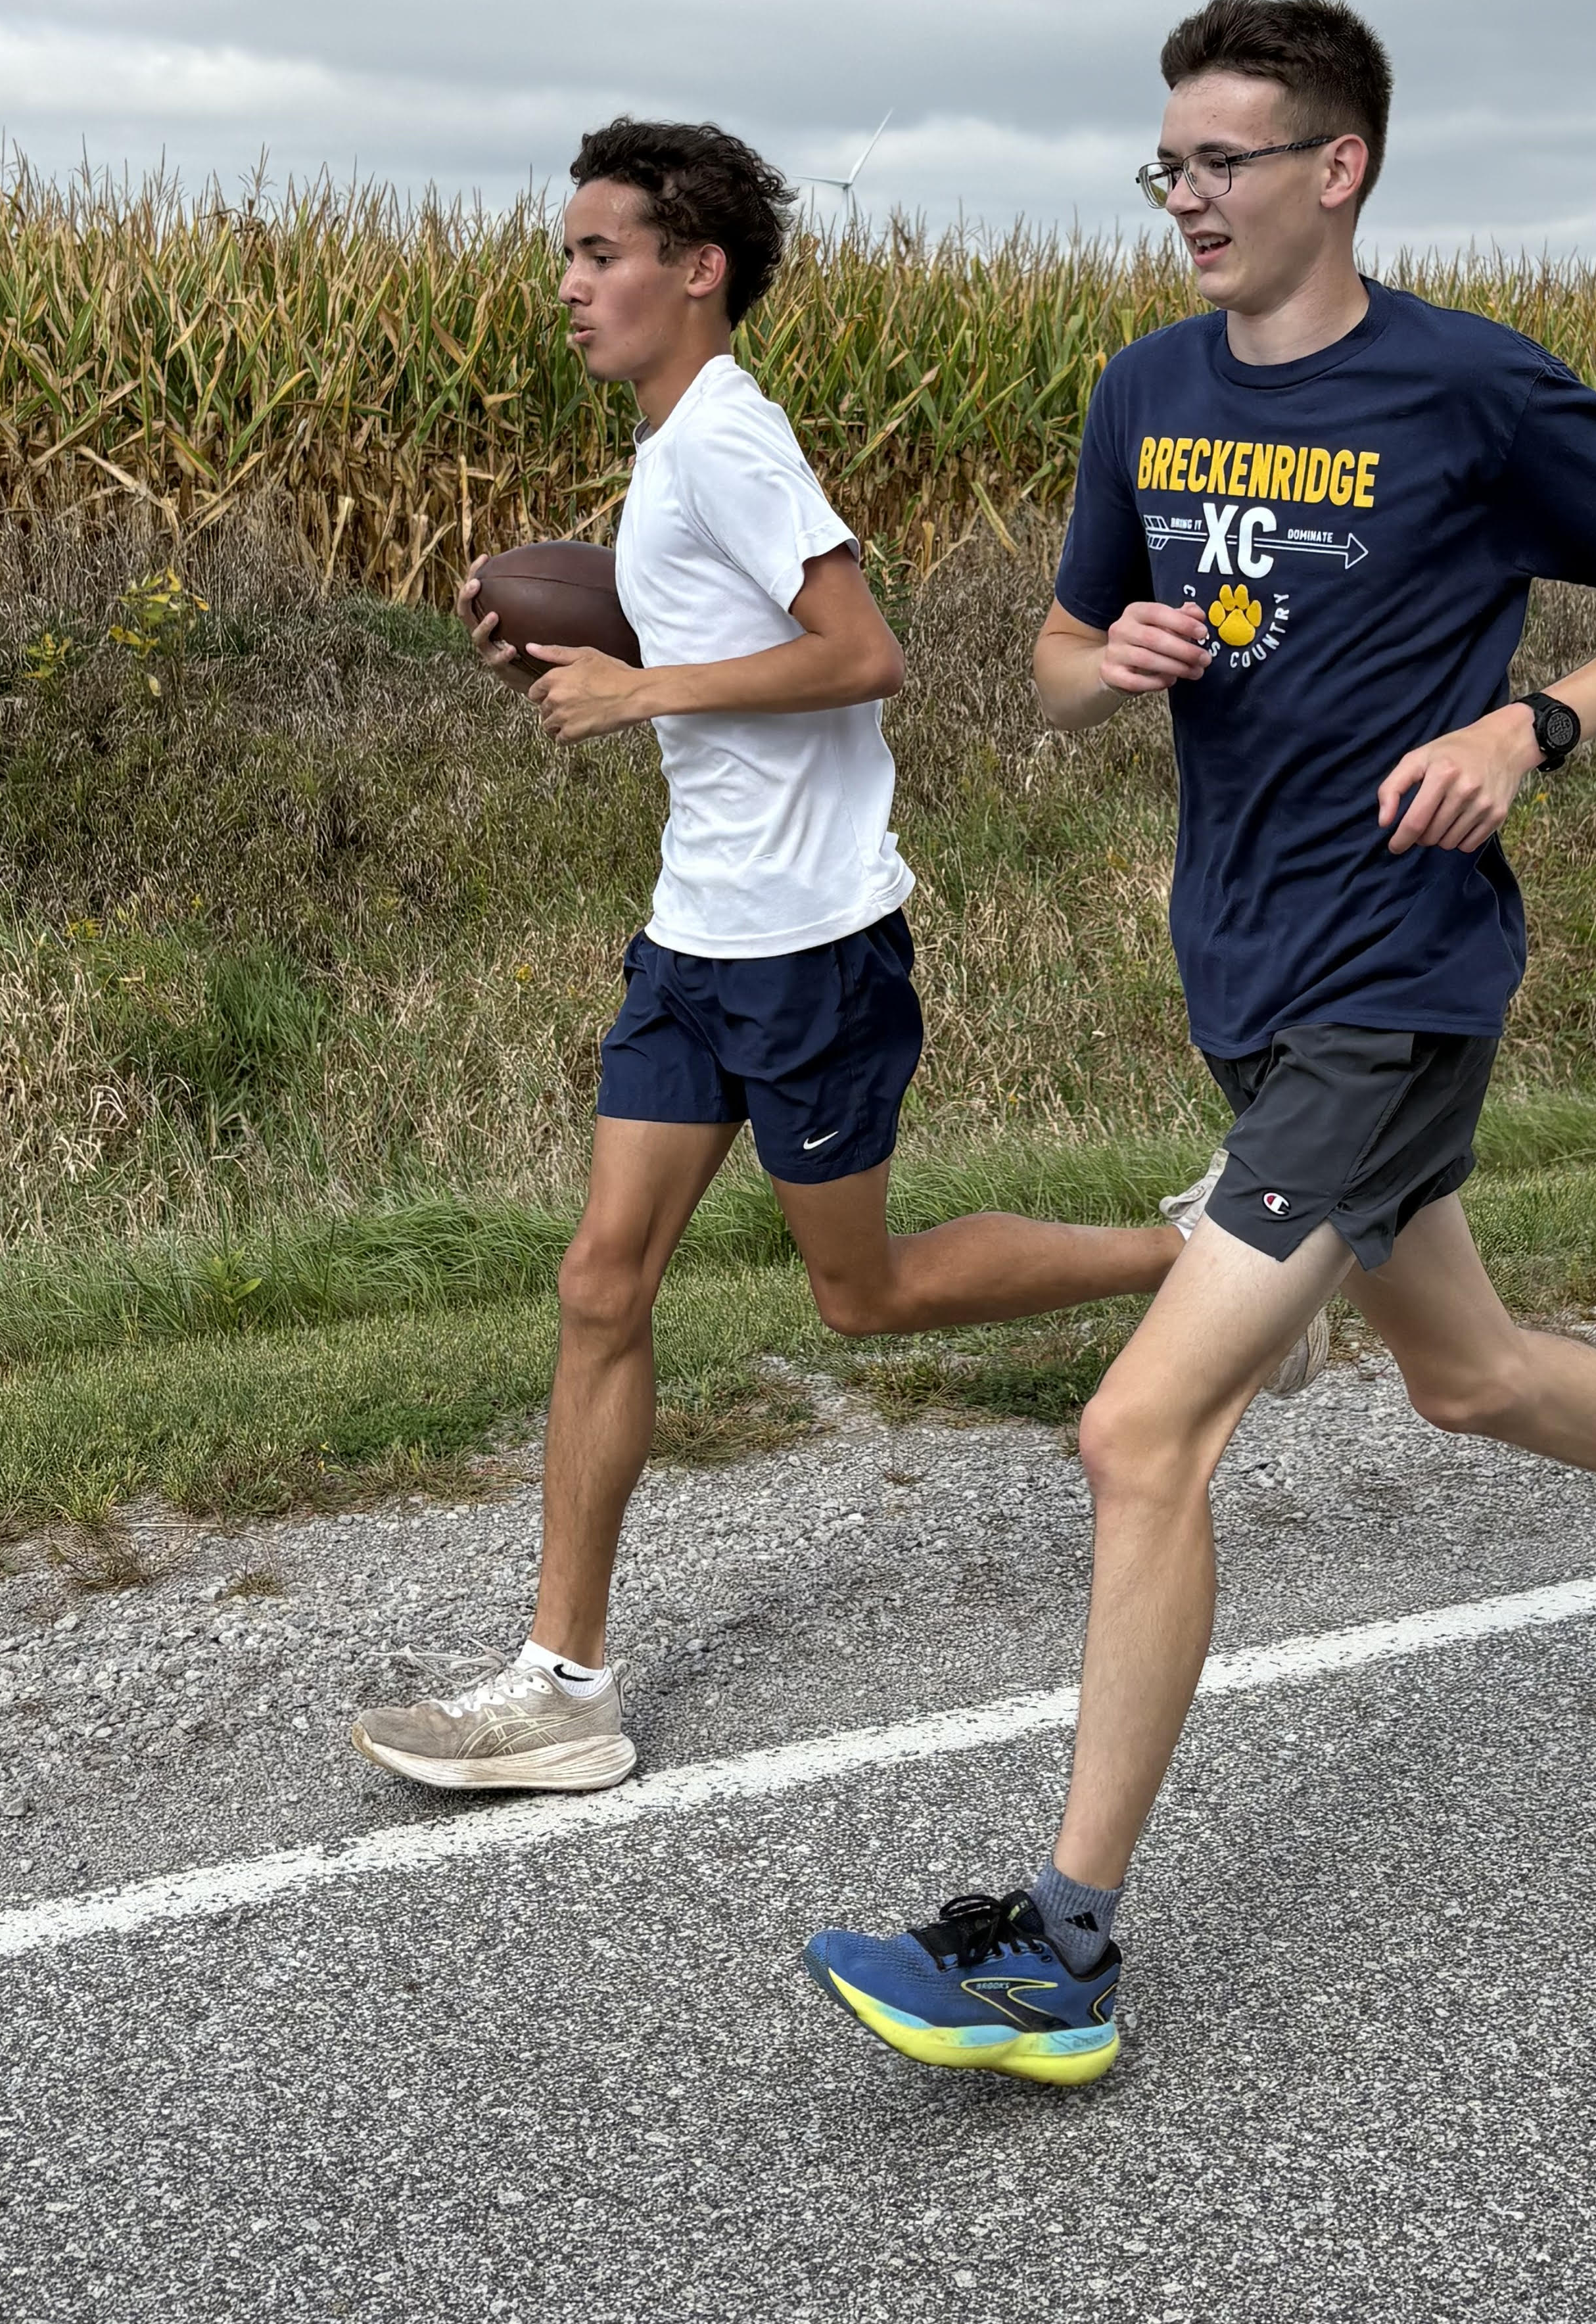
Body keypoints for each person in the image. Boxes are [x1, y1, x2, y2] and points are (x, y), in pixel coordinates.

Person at [804, 0, 1596, 2083]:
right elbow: (1041, 662)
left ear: (1337, 168)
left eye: (1221, 161)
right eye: (1166, 163)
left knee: (1139, 1433)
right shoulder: (1146, 390)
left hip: (1398, 980)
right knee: (1464, 1380)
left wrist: (1525, 724)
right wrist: (1099, 659)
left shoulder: (1468, 389)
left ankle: (1063, 1953)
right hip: (1245, 965)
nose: (1184, 197)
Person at [354, 117, 1210, 1797]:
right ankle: (563, 1689)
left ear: (698, 272)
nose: (572, 284)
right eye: (571, 253)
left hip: (811, 946)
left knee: (859, 1293)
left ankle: (1198, 1269)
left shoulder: (732, 440)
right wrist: (592, 636)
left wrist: (640, 689)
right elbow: (720, 633)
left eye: (603, 254)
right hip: (693, 935)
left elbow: (861, 653)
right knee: (601, 1281)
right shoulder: (671, 455)